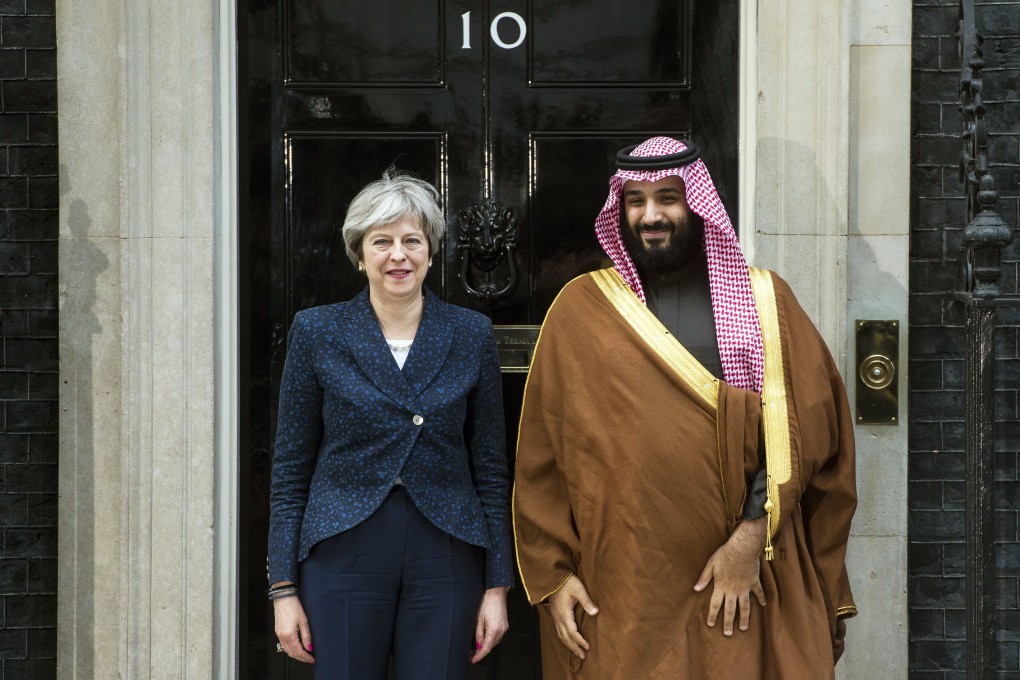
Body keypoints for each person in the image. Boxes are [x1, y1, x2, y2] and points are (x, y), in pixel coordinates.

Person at [512, 137, 857, 679]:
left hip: (743, 583)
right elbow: (543, 460)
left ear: (696, 202)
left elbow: (802, 431)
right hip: (624, 587)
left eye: (668, 197)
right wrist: (554, 576)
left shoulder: (766, 302)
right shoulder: (580, 311)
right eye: (636, 201)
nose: (651, 215)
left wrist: (746, 544)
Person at [268, 169, 514, 680]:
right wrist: (283, 590)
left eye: (412, 240)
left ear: (431, 251)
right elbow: (290, 470)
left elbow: (491, 467)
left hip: (446, 546)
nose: (398, 255)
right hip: (344, 544)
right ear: (360, 253)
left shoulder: (471, 333)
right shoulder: (318, 331)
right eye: (381, 241)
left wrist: (497, 585)